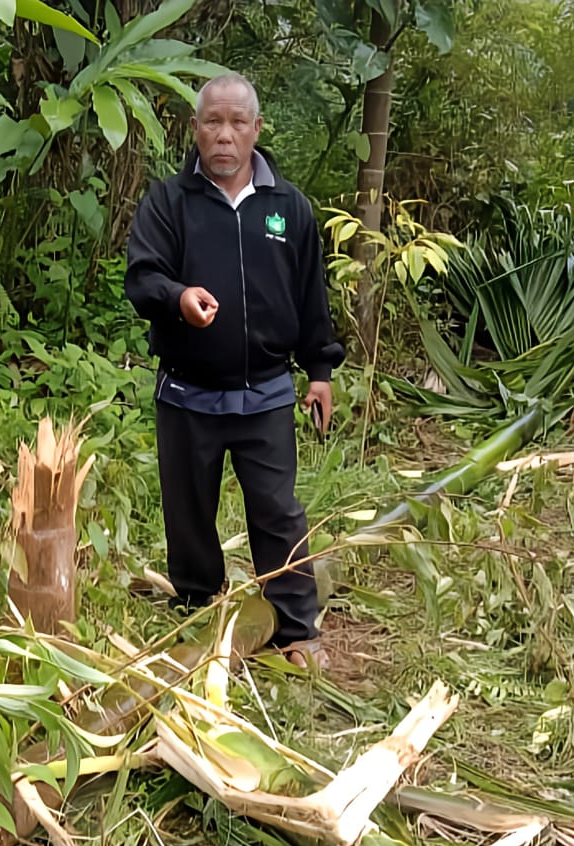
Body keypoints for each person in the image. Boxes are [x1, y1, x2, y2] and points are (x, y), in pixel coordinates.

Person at [124, 73, 345, 669]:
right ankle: (199, 608)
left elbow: (310, 296)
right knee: (187, 511)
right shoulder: (169, 203)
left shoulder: (289, 208)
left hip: (267, 393)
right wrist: (178, 297)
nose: (224, 136)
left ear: (256, 130)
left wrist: (319, 370)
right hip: (187, 393)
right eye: (212, 123)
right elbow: (142, 279)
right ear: (195, 130)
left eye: (236, 124)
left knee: (277, 510)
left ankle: (296, 629)